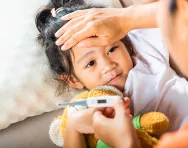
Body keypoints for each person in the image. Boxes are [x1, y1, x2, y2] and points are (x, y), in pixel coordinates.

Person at [35, 0, 188, 147]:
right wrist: (74, 125)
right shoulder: (83, 108)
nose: (108, 65)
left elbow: (148, 5)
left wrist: (122, 18)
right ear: (72, 79)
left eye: (112, 49)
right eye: (91, 63)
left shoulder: (142, 50)